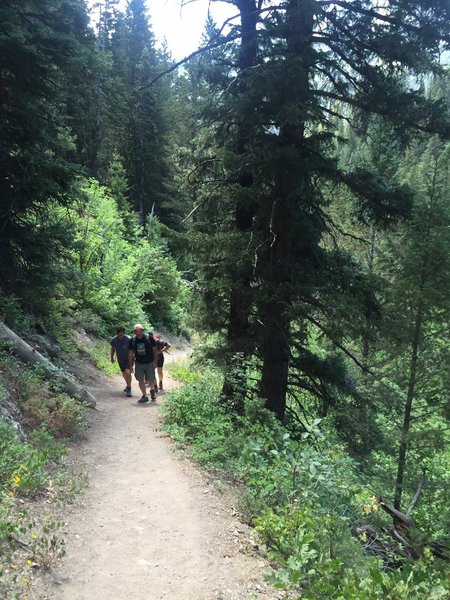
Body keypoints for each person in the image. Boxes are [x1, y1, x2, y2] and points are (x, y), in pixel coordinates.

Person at [128, 324, 158, 403]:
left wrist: (155, 362)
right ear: (134, 332)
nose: (138, 333)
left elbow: (155, 351)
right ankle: (144, 395)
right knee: (140, 379)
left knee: (151, 378)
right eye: (136, 331)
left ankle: (152, 390)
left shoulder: (149, 338)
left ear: (142, 331)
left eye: (140, 331)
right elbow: (130, 353)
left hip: (149, 362)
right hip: (138, 363)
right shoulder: (132, 340)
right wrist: (130, 365)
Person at [110, 327, 132, 397]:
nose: (120, 334)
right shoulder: (114, 340)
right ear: (117, 333)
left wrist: (133, 357)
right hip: (120, 359)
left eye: (122, 333)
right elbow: (113, 349)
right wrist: (112, 357)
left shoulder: (128, 339)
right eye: (119, 333)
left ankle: (129, 388)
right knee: (124, 373)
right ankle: (128, 384)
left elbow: (132, 349)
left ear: (124, 333)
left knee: (128, 372)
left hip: (128, 359)